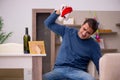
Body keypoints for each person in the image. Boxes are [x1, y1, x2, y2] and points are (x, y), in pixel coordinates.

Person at [43, 9, 102, 80]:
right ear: (82, 25)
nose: (84, 33)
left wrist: (103, 77)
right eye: (84, 29)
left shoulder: (94, 45)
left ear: (92, 34)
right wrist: (57, 12)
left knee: (90, 79)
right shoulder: (67, 31)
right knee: (42, 78)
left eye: (88, 33)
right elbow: (48, 23)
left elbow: (99, 64)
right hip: (59, 70)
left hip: (78, 72)